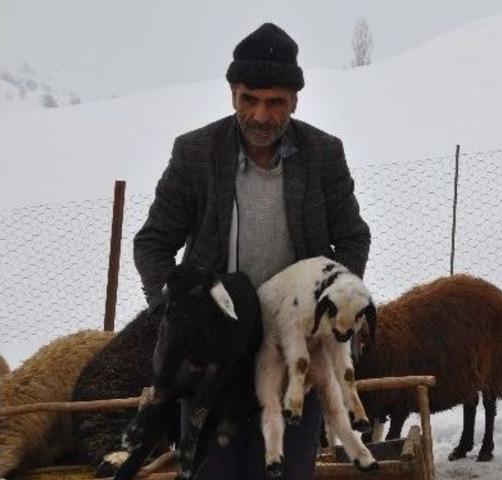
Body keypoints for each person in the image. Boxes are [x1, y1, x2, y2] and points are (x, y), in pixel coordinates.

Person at [133, 22, 371, 480]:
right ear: (233, 94)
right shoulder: (196, 153)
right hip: (212, 355)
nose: (261, 116)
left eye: (275, 102)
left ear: (294, 101)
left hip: (293, 349)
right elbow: (154, 243)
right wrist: (177, 312)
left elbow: (354, 237)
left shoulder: (324, 155)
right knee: (209, 470)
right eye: (250, 100)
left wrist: (331, 305)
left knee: (285, 469)